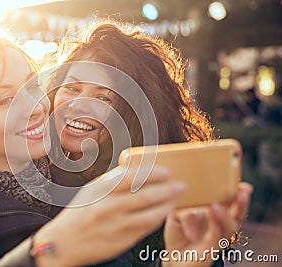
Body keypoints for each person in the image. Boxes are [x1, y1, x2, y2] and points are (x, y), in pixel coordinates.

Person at [0, 25, 187, 266]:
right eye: (6, 100)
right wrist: (51, 250)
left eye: (32, 84)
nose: (36, 106)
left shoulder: (90, 184)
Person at [46, 21, 253, 266]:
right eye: (72, 87)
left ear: (135, 116)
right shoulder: (35, 176)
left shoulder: (169, 202)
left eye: (103, 97)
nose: (78, 105)